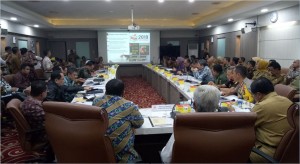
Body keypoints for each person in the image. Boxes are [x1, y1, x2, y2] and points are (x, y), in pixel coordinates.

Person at [160, 85, 221, 163]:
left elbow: (166, 158)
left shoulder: (183, 125)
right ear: (217, 105)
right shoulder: (228, 125)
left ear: (194, 105)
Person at [93, 79, 144, 163]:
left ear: (106, 91)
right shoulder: (129, 105)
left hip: (101, 153)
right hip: (123, 156)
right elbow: (139, 123)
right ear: (123, 92)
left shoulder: (96, 102)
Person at [249, 77, 293, 163]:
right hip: (288, 151)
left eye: (253, 95)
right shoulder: (288, 101)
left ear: (258, 94)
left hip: (266, 152)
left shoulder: (262, 106)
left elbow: (245, 126)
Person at [20, 80, 55, 162]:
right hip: (41, 134)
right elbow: (50, 118)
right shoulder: (34, 107)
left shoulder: (30, 99)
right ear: (42, 94)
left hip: (39, 128)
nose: (48, 92)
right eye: (47, 91)